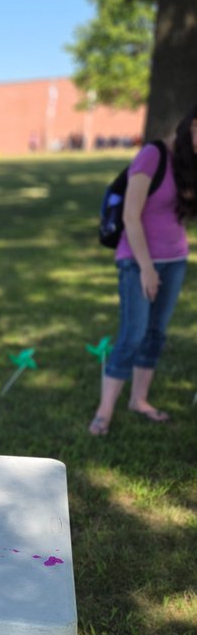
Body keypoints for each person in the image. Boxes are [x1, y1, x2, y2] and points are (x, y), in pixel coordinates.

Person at [89, 104, 196, 435]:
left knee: (155, 333)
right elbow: (130, 216)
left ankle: (139, 400)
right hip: (137, 260)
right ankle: (104, 412)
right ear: (190, 126)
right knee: (133, 334)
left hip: (175, 258)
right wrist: (147, 268)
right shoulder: (152, 155)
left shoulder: (190, 163)